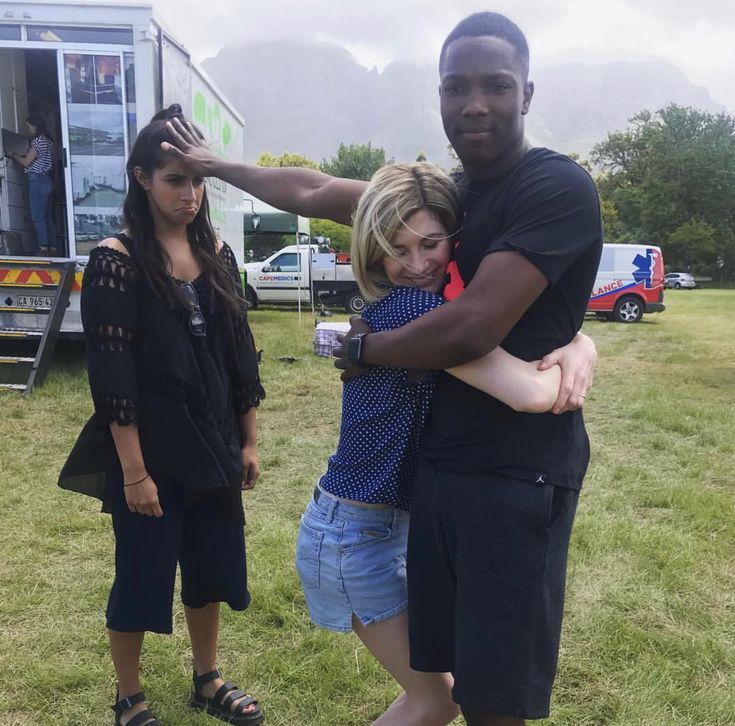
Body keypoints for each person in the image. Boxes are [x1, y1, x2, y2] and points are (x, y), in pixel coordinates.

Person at [161, 9, 601, 719]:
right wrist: (218, 166)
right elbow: (311, 190)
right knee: (444, 689)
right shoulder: (446, 202)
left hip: (510, 481)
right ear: (437, 95)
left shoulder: (546, 189)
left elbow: (475, 325)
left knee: (481, 696)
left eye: (495, 84)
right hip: (423, 493)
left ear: (527, 91)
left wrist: (583, 344)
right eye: (455, 86)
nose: (474, 102)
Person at [296, 161, 566, 726]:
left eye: (431, 244)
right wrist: (579, 351)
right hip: (355, 536)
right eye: (396, 249)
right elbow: (533, 395)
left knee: (433, 691)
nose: (417, 264)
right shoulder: (421, 311)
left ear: (454, 237)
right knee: (438, 698)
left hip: (371, 527)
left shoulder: (410, 311)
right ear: (372, 253)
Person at [58, 105, 265, 726]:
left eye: (198, 181)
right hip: (151, 454)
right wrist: (133, 472)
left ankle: (207, 680)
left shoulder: (219, 254)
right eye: (176, 180)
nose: (190, 194)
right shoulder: (116, 259)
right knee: (142, 576)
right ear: (142, 178)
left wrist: (249, 441)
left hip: (214, 444)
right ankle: (130, 697)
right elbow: (112, 374)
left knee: (210, 567)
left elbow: (238, 354)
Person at [7, 114, 57, 255]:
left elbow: (27, 162)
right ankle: (52, 249)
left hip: (38, 180)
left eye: (28, 127)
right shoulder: (49, 141)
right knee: (47, 217)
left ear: (34, 126)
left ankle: (43, 248)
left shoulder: (37, 141)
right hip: (48, 181)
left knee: (37, 216)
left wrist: (13, 155)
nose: (28, 130)